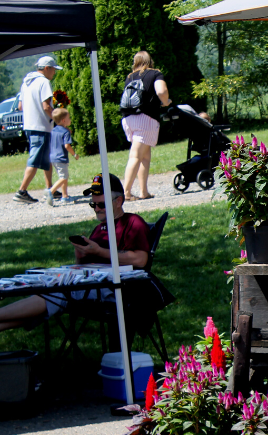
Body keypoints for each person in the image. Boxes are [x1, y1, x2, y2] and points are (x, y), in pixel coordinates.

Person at [0, 174, 150, 332]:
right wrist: (81, 256)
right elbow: (86, 265)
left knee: (56, 294)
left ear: (118, 201)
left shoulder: (133, 222)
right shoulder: (99, 229)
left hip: (116, 289)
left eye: (101, 204)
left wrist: (99, 251)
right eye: (93, 204)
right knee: (51, 291)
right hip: (91, 285)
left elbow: (140, 260)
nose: (96, 209)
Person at [120, 51, 171, 202]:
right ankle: (126, 193)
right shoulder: (155, 74)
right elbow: (161, 91)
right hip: (145, 119)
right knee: (136, 155)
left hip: (128, 119)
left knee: (145, 156)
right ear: (150, 61)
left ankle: (144, 191)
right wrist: (166, 101)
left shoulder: (130, 76)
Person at [14, 56, 60, 204]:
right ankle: (22, 191)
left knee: (46, 158)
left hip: (29, 125)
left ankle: (50, 189)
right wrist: (58, 119)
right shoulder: (44, 82)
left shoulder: (26, 82)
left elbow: (20, 106)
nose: (54, 73)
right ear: (47, 68)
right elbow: (46, 107)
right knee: (34, 159)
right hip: (41, 126)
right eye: (53, 69)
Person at [48, 107, 79, 206]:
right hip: (61, 157)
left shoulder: (53, 130)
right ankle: (50, 191)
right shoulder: (65, 132)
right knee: (64, 177)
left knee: (63, 177)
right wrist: (74, 154)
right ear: (63, 120)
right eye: (68, 118)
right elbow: (67, 146)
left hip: (53, 157)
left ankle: (65, 196)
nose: (70, 120)